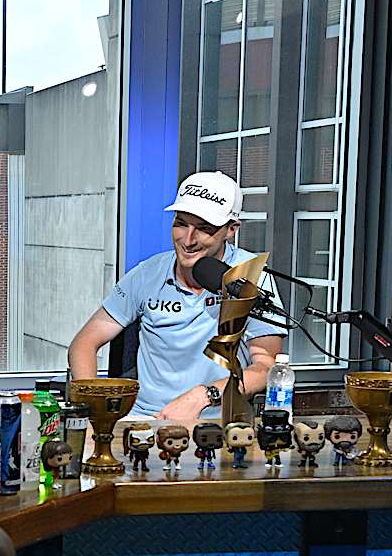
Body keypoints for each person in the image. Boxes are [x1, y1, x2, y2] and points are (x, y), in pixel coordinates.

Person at [67, 171, 286, 420]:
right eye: (181, 224)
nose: (188, 240)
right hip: (146, 419)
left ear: (231, 229)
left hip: (220, 420)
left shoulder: (253, 276)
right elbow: (84, 343)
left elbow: (267, 367)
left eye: (204, 229)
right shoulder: (146, 274)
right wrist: (94, 413)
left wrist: (203, 396)